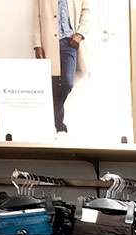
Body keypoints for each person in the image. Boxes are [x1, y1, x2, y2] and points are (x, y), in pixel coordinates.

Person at [33, 0, 90, 135]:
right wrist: (37, 44)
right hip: (49, 42)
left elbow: (86, 11)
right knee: (53, 85)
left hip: (70, 42)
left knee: (67, 83)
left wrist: (80, 34)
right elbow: (36, 16)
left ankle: (54, 119)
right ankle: (59, 125)